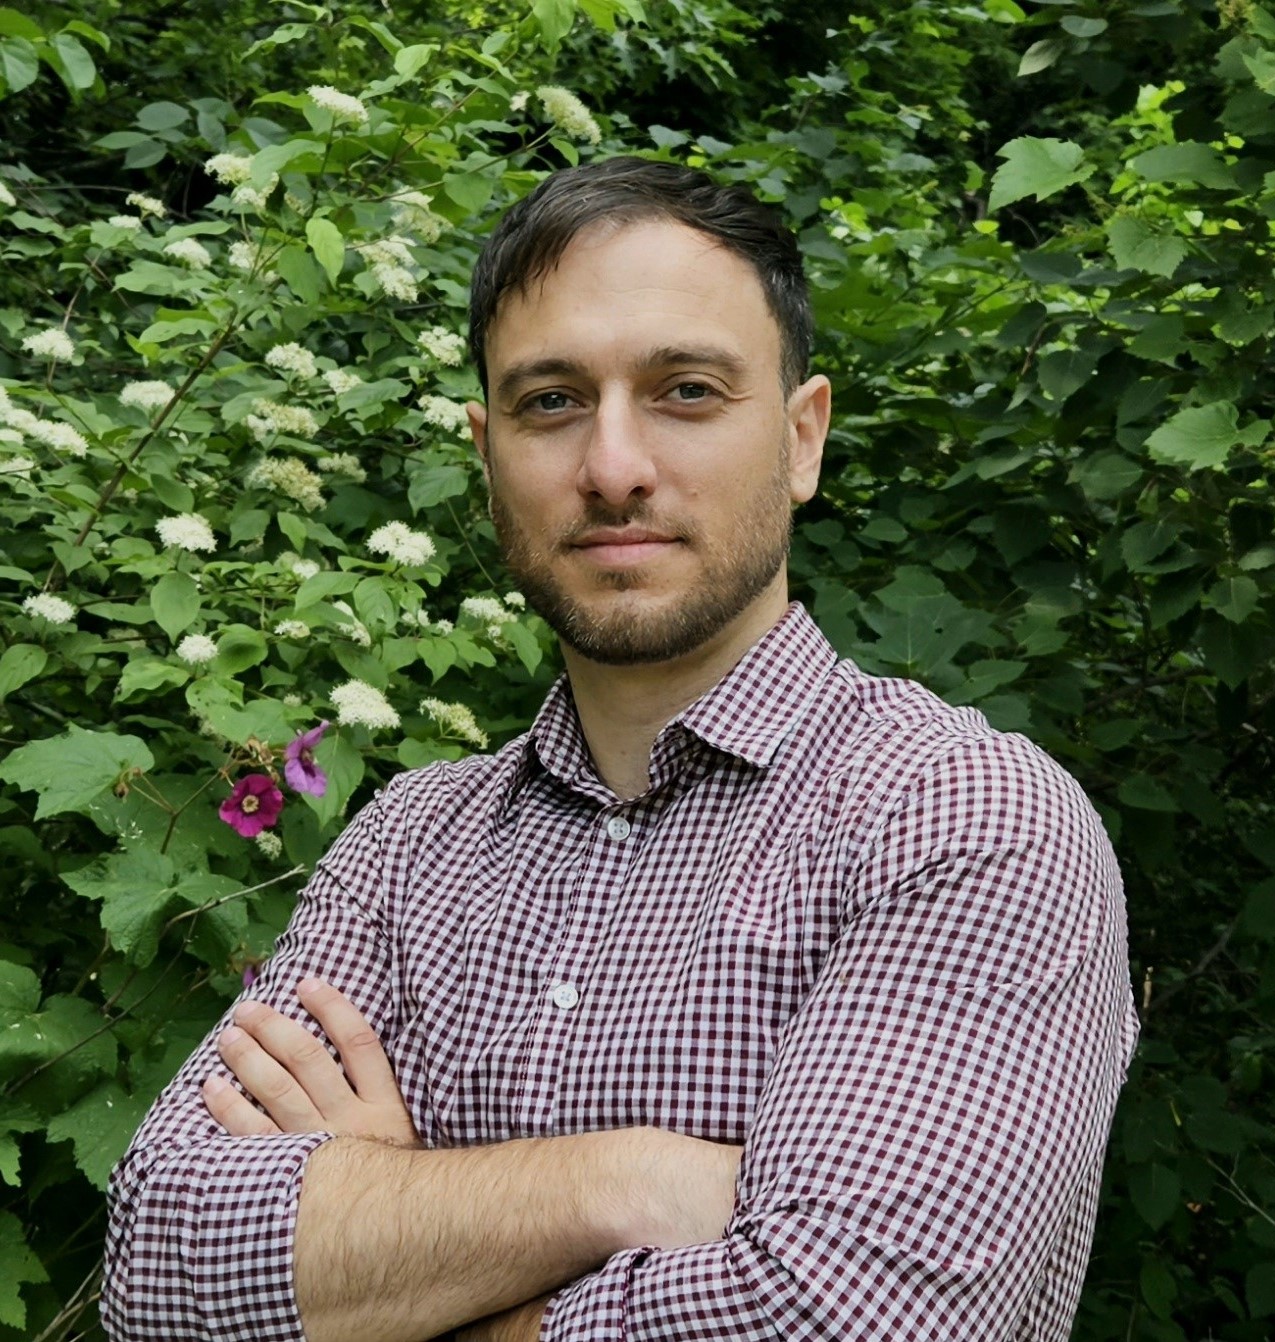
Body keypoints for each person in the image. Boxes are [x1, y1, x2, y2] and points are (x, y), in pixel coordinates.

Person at [102, 156, 1139, 1342]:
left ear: (802, 439)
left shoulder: (958, 816)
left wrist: (391, 1250)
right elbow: (156, 1276)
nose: (611, 467)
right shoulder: (404, 846)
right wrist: (630, 1181)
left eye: (686, 390)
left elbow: (847, 1321)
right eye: (549, 401)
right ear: (486, 450)